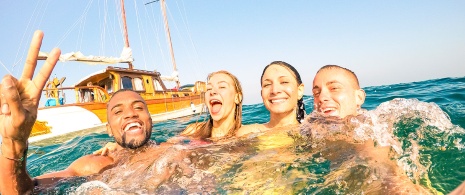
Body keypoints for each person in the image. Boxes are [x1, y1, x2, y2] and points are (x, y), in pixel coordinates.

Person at [236, 61, 305, 137]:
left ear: (300, 91)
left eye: (284, 82)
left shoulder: (311, 131)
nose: (275, 90)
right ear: (262, 94)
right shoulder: (247, 133)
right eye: (267, 84)